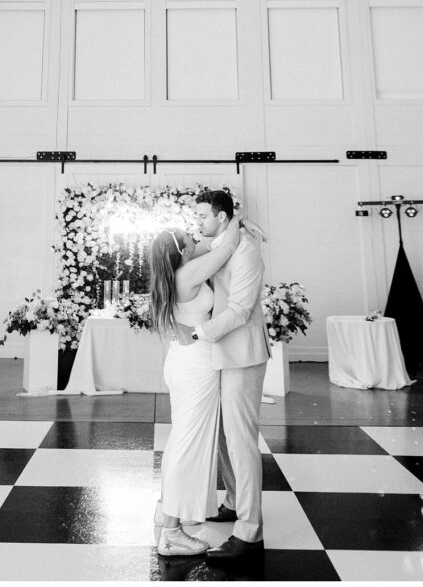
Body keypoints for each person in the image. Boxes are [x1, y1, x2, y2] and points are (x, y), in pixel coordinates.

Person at [147, 224, 242, 557]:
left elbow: (208, 244)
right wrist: (237, 221)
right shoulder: (188, 273)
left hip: (181, 360)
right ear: (183, 251)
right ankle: (172, 533)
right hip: (196, 367)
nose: (196, 239)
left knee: (181, 441)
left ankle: (166, 508)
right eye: (190, 238)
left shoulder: (172, 273)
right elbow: (226, 247)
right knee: (187, 446)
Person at [191, 189, 271, 564]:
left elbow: (240, 309)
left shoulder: (247, 249)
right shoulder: (220, 241)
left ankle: (249, 531)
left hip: (243, 356)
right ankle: (234, 501)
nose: (199, 223)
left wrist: (201, 333)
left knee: (242, 442)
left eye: (204, 217)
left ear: (221, 217)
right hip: (222, 354)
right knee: (224, 436)